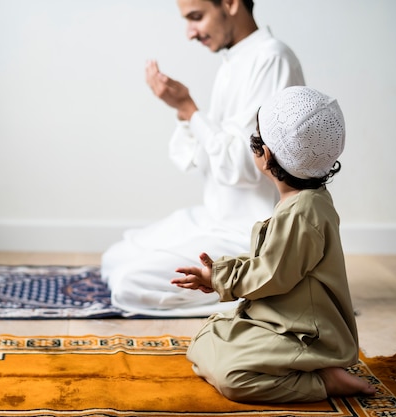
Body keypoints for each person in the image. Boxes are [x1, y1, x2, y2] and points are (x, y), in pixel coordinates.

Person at [172, 86, 377, 403]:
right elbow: (274, 261)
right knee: (205, 340)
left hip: (307, 335)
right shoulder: (305, 201)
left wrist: (220, 280)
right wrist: (222, 271)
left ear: (265, 155)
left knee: (232, 377)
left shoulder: (301, 213)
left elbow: (271, 273)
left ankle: (323, 380)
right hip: (281, 321)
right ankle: (297, 365)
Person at [101, 0, 305, 316]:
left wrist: (189, 110)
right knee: (114, 258)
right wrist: (185, 115)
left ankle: (263, 286)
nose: (190, 33)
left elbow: (246, 167)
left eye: (196, 17)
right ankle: (239, 284)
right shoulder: (233, 62)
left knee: (129, 283)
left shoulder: (271, 59)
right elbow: (202, 159)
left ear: (230, 4)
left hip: (250, 232)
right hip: (215, 217)